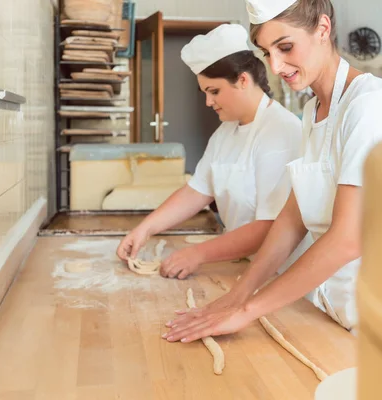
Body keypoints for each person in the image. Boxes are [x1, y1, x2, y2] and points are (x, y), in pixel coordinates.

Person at [162, 0, 382, 343]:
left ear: (323, 29)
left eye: (285, 47)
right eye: (267, 53)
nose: (277, 65)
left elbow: (348, 238)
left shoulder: (370, 105)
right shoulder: (313, 111)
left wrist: (246, 311)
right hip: (335, 310)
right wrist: (240, 294)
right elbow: (292, 217)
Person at [116, 23, 309, 280]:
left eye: (214, 91)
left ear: (242, 80)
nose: (208, 102)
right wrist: (144, 229)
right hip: (243, 266)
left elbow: (270, 227)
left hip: (281, 274)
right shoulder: (226, 132)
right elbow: (197, 190)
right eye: (206, 93)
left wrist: (199, 253)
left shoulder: (281, 132)